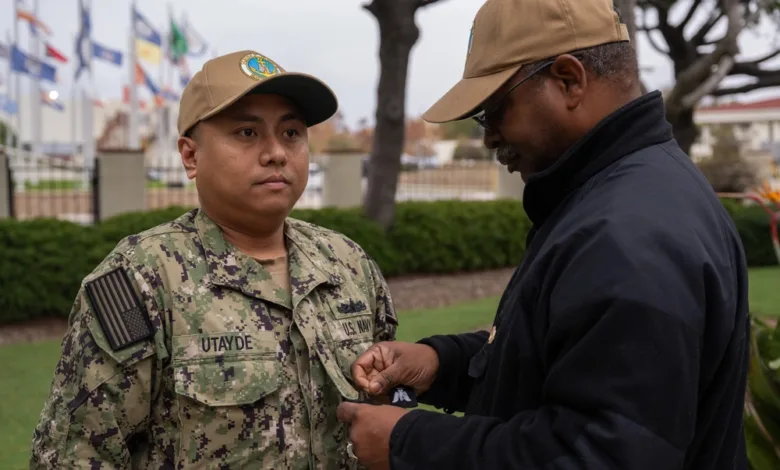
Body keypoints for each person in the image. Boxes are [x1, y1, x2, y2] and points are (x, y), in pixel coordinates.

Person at [336, 0, 750, 469]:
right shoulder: (631, 191)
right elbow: (571, 364)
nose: (489, 137)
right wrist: (443, 363)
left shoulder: (626, 233)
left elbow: (597, 454)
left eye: (494, 109)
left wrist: (408, 442)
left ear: (569, 80)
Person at [30, 49, 398, 469]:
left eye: (292, 132)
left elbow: (390, 401)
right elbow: (75, 454)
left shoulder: (347, 263)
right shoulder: (138, 279)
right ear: (190, 155)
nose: (277, 152)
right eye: (246, 132)